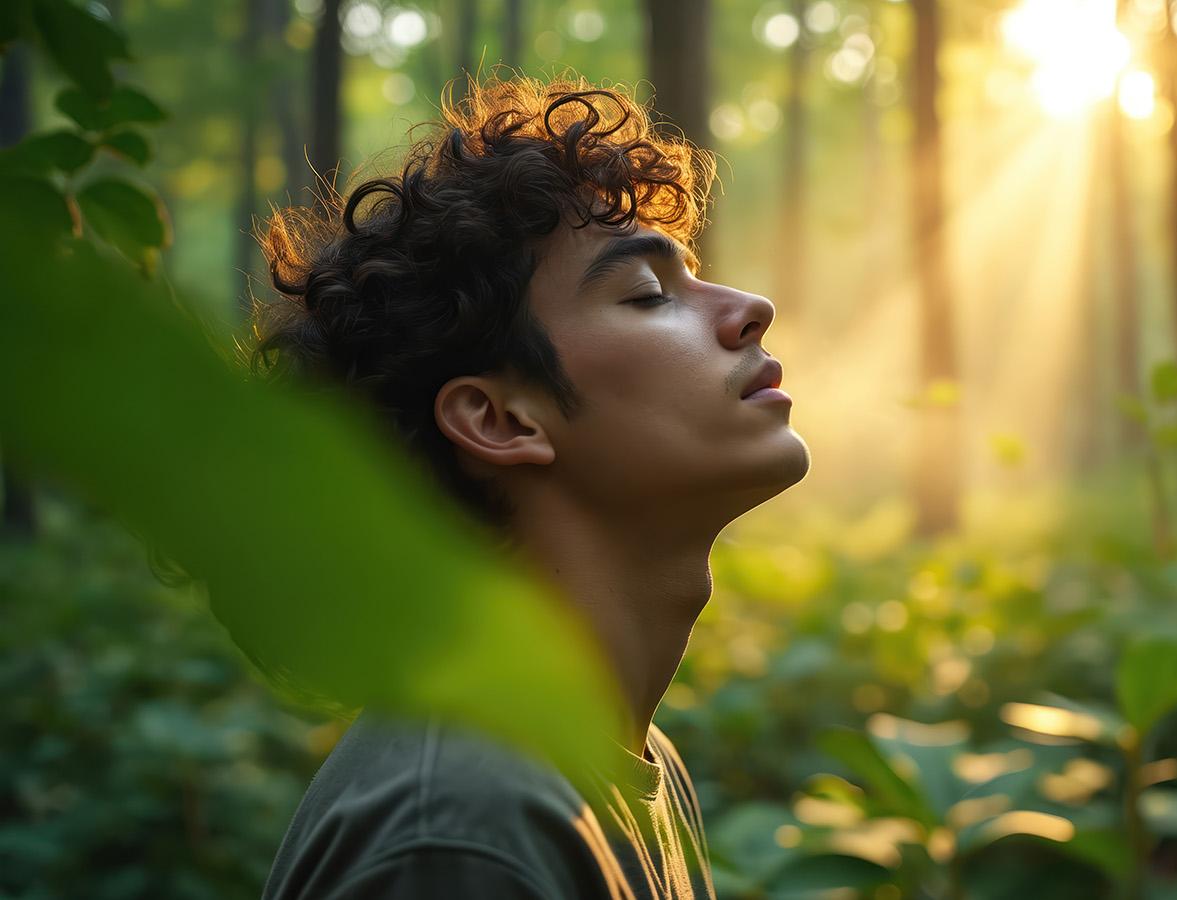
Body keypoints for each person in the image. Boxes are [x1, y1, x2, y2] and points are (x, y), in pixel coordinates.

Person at [252, 74, 810, 900]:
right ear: (500, 421)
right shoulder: (459, 828)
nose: (749, 307)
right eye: (649, 294)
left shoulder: (621, 762)